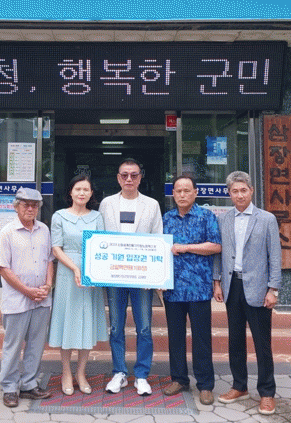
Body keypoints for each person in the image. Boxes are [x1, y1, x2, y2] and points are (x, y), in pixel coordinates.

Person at [213, 171, 282, 416]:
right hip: (232, 286)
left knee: (262, 343)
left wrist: (273, 289)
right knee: (235, 340)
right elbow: (219, 254)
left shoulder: (266, 219)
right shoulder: (223, 219)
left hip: (259, 288)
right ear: (229, 194)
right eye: (235, 191)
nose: (240, 195)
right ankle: (239, 386)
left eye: (244, 190)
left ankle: (267, 392)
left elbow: (275, 256)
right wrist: (217, 282)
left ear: (251, 191)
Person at [99, 158, 163, 396]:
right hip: (115, 275)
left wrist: (155, 276)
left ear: (140, 177)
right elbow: (100, 237)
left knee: (144, 327)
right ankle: (119, 372)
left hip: (142, 277)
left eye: (134, 175)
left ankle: (142, 375)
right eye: (124, 175)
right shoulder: (106, 204)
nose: (129, 179)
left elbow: (158, 239)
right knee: (116, 326)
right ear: (118, 178)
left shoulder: (152, 205)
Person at [161, 175, 222, 406]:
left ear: (196, 192)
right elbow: (159, 249)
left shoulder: (207, 216)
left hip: (199, 288)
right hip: (173, 289)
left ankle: (205, 385)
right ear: (173, 194)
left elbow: (216, 246)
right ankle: (179, 379)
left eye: (187, 190)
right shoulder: (166, 218)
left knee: (201, 338)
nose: (182, 195)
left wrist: (186, 248)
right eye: (178, 191)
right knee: (175, 337)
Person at [0, 187, 54, 408]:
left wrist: (48, 285)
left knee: (36, 345)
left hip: (41, 299)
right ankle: (9, 387)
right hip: (17, 300)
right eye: (26, 205)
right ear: (16, 207)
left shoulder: (44, 230)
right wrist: (27, 291)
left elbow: (49, 260)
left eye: (34, 205)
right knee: (13, 345)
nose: (30, 209)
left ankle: (29, 384)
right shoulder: (7, 232)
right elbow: (3, 268)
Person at [48, 174, 108, 395]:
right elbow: (56, 248)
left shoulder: (97, 217)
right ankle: (66, 372)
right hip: (68, 273)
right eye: (78, 189)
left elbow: (102, 245)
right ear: (71, 192)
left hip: (91, 274)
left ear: (91, 194)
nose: (82, 193)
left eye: (86, 189)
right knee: (67, 322)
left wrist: (93, 271)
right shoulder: (59, 216)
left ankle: (81, 372)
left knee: (86, 323)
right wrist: (75, 268)